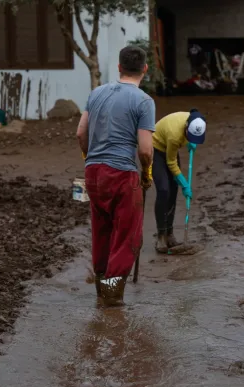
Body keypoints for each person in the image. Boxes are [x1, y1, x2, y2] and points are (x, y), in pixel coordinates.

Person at [77, 45, 155, 306]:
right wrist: (147, 173)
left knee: (102, 230)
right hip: (122, 173)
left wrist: (91, 159)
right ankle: (112, 297)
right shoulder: (144, 101)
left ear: (119, 67)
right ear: (145, 69)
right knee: (127, 236)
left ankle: (101, 287)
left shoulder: (97, 93)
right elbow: (145, 150)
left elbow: (80, 133)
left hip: (93, 172)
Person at [151, 110, 207, 253]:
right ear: (186, 127)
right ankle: (161, 236)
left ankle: (170, 234)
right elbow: (171, 163)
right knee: (164, 190)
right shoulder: (175, 136)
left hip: (171, 149)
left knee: (173, 191)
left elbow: (196, 115)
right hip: (156, 148)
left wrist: (191, 141)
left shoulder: (197, 121)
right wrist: (184, 183)